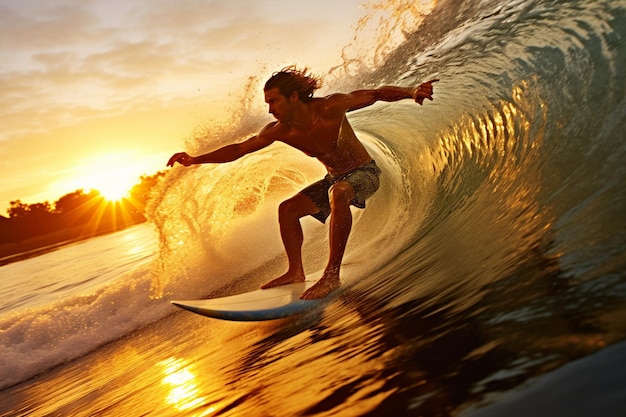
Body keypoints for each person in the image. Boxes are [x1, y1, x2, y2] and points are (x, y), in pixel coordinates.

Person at [167, 67, 438, 299]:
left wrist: (412, 91)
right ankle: (295, 271)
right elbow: (239, 149)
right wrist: (194, 159)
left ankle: (331, 274)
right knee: (287, 209)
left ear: (294, 97)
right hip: (333, 179)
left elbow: (375, 94)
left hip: (364, 173)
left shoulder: (330, 107)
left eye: (273, 101)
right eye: (268, 104)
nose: (270, 109)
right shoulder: (280, 131)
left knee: (339, 191)